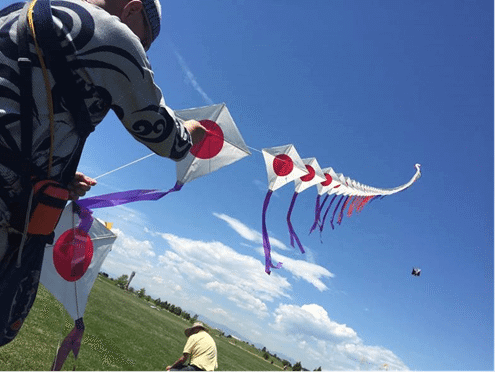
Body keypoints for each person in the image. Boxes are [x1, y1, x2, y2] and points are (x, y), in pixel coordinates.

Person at [0, 0, 205, 346]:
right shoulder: (113, 35)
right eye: (146, 40)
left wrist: (60, 175)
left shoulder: (17, 11)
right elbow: (166, 137)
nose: (142, 49)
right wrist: (193, 133)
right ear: (132, 10)